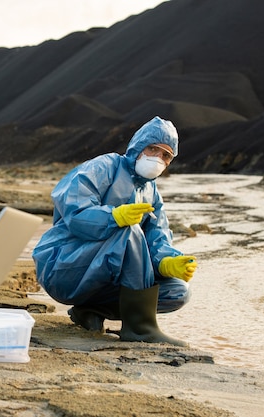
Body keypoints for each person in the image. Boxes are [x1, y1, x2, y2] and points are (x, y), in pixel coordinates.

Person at [32, 116, 197, 347]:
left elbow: (157, 237)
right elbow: (72, 208)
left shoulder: (151, 193)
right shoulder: (104, 167)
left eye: (166, 155)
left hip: (100, 276)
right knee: (129, 231)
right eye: (153, 149)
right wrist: (113, 217)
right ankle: (139, 328)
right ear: (139, 146)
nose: (158, 158)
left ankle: (90, 310)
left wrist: (166, 262)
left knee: (178, 291)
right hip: (64, 264)